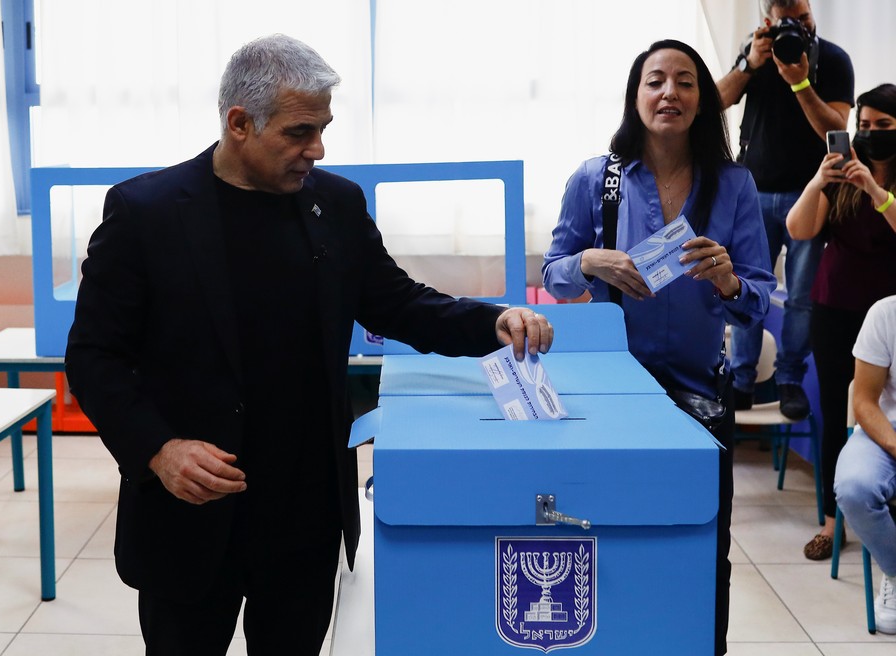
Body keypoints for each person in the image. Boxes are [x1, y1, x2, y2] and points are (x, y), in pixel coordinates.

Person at [64, 34, 554, 656]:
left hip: (304, 511)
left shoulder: (336, 205)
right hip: (193, 506)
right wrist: (159, 449)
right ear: (239, 123)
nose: (317, 149)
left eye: (322, 129)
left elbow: (397, 303)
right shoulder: (147, 212)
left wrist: (493, 323)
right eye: (299, 132)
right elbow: (94, 356)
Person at [542, 40, 776, 656]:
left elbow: (757, 297)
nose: (668, 92)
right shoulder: (599, 179)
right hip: (610, 399)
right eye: (655, 81)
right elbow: (554, 272)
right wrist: (589, 261)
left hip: (699, 398)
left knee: (702, 543)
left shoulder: (733, 184)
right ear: (635, 95)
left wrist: (728, 278)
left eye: (685, 82)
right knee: (607, 537)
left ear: (704, 101)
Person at [718, 0, 854, 419]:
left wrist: (800, 83)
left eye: (804, 19)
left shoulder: (832, 59)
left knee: (800, 297)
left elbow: (837, 128)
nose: (798, 28)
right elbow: (713, 103)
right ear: (769, 21)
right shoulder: (756, 51)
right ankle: (740, 380)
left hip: (809, 194)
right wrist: (748, 62)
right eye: (788, 22)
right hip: (752, 191)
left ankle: (789, 379)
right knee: (745, 288)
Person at [785, 83, 896, 560]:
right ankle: (834, 522)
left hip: (889, 319)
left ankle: (881, 514)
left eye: (883, 126)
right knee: (836, 412)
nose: (870, 135)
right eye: (864, 125)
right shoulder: (840, 172)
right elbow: (798, 228)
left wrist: (874, 189)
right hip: (836, 308)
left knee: (884, 409)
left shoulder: (876, 182)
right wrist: (819, 179)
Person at [834, 295, 896, 633]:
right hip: (883, 429)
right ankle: (895, 571)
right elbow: (864, 401)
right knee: (855, 489)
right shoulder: (885, 314)